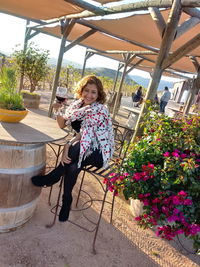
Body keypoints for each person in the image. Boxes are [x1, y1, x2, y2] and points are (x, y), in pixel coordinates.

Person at [31, 75, 114, 222]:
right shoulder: (76, 105)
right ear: (81, 91)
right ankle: (66, 200)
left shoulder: (100, 109)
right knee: (73, 166)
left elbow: (85, 135)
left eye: (93, 92)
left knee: (76, 148)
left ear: (99, 94)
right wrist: (57, 111)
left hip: (98, 152)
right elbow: (62, 124)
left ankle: (52, 177)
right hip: (81, 149)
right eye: (86, 90)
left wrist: (66, 147)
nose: (89, 95)